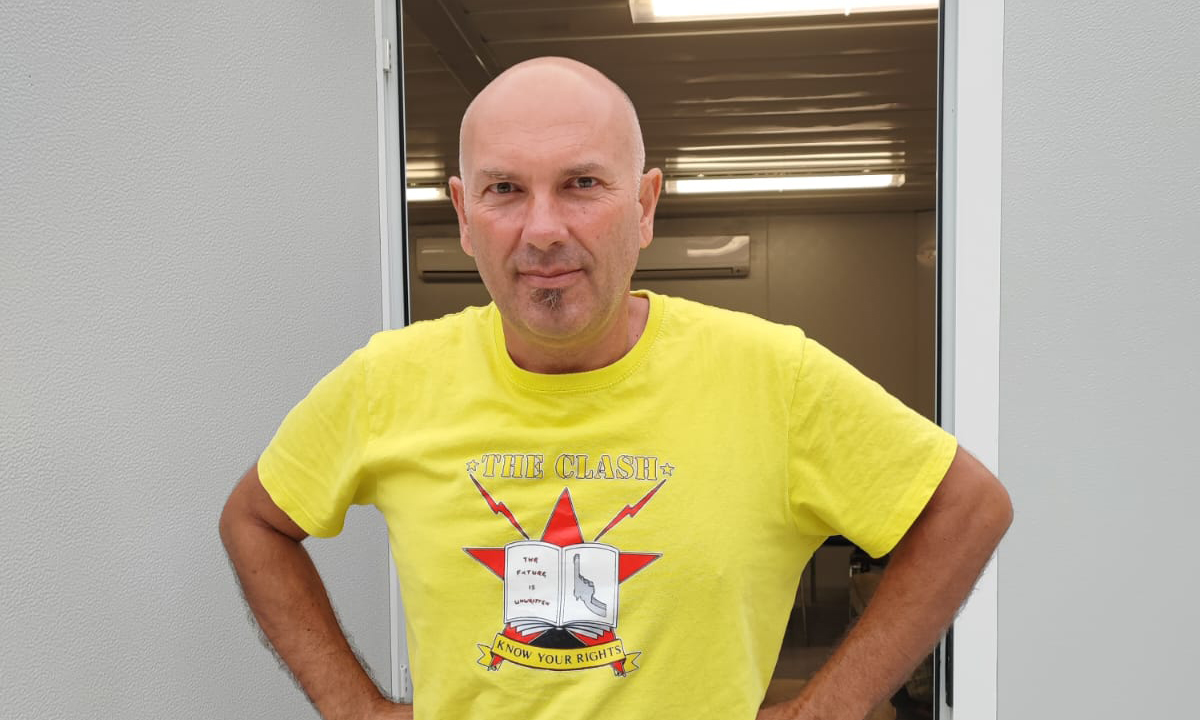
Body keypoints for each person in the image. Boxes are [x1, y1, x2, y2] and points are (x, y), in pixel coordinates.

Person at [219, 57, 1012, 720]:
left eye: (582, 183)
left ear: (644, 206)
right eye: (504, 190)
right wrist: (356, 710)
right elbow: (255, 521)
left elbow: (968, 508)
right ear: (463, 214)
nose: (543, 230)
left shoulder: (773, 376)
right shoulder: (387, 380)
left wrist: (830, 708)